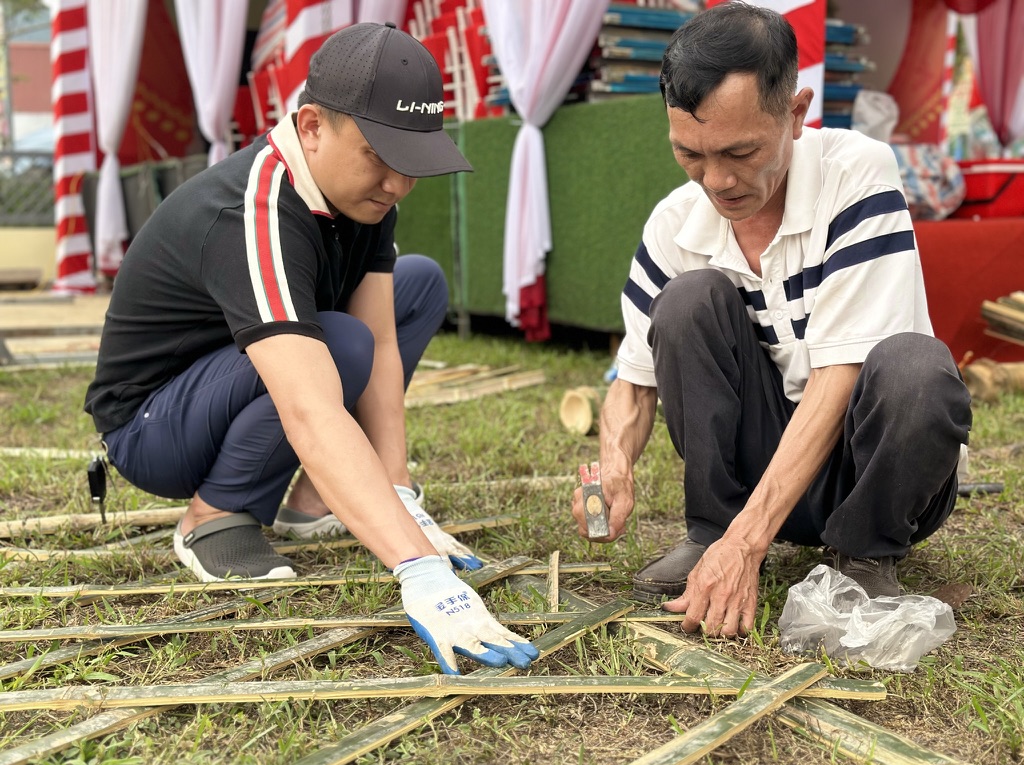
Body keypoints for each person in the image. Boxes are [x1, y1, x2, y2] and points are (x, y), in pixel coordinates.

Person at [84, 22, 538, 675]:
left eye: (410, 162)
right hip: (154, 426)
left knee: (416, 286)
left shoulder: (368, 201)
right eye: (378, 156)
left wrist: (400, 495)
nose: (397, 184)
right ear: (312, 126)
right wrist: (419, 568)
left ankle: (312, 503)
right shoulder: (258, 207)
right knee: (340, 344)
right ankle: (213, 516)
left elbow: (385, 340)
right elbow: (310, 404)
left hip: (234, 380)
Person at [571, 2, 972, 639]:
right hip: (765, 462)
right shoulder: (675, 223)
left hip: (863, 464)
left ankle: (864, 555)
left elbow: (841, 375)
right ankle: (711, 530)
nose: (717, 180)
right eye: (690, 154)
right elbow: (635, 380)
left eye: (741, 151)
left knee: (916, 370)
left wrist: (750, 543)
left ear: (796, 112)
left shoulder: (855, 176)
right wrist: (614, 462)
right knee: (686, 300)